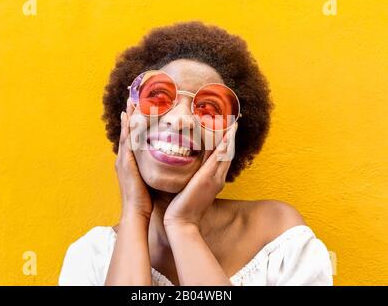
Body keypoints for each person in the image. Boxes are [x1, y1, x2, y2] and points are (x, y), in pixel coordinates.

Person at [58, 21, 333, 286]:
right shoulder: (91, 257)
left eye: (210, 109)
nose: (180, 120)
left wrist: (184, 225)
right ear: (128, 119)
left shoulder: (279, 239)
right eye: (158, 96)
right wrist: (134, 211)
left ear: (232, 138)